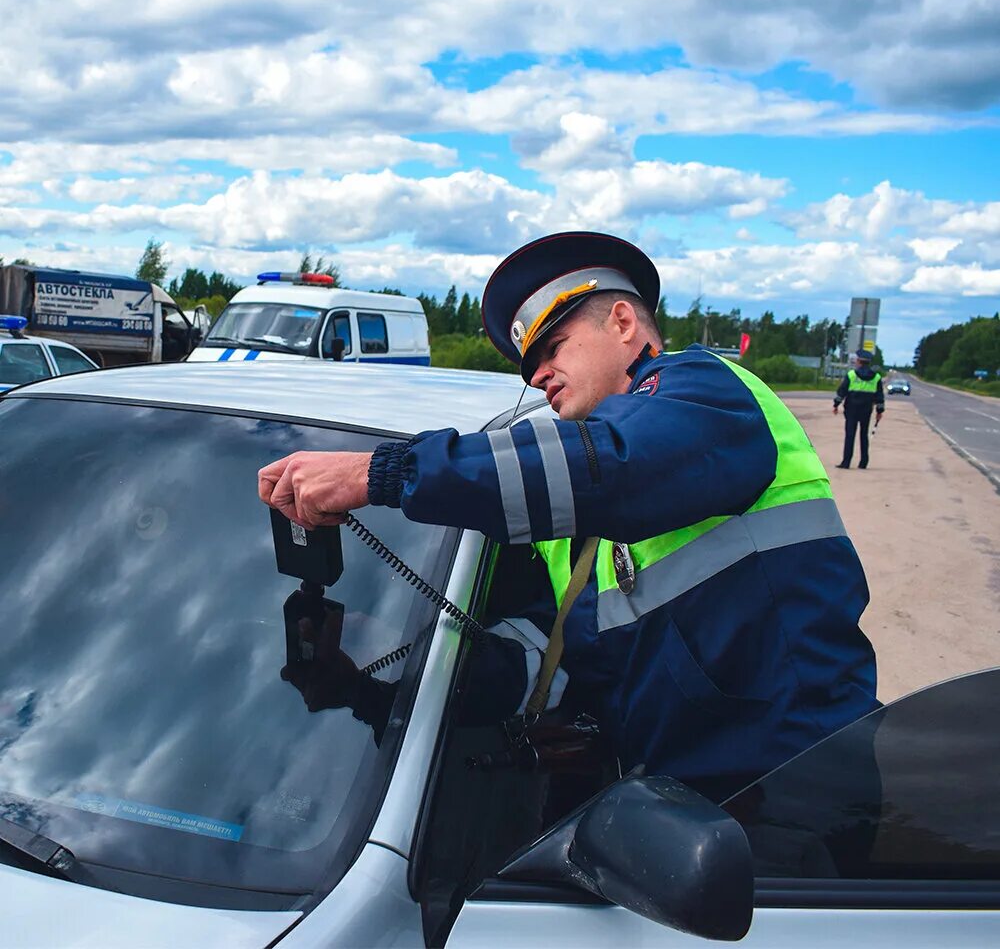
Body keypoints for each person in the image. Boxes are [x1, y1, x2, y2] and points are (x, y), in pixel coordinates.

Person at [259, 231, 879, 802]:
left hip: (798, 788)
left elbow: (615, 463)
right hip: (675, 810)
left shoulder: (706, 392)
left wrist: (377, 474)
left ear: (623, 320)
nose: (538, 376)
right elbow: (541, 673)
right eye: (529, 368)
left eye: (553, 347)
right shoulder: (573, 525)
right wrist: (367, 681)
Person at [833, 351, 885, 470]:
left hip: (851, 410)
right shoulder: (876, 377)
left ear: (859, 362)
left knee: (850, 436)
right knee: (864, 435)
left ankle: (846, 462)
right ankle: (863, 462)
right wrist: (879, 411)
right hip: (866, 410)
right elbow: (879, 396)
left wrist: (836, 404)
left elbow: (842, 391)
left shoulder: (851, 375)